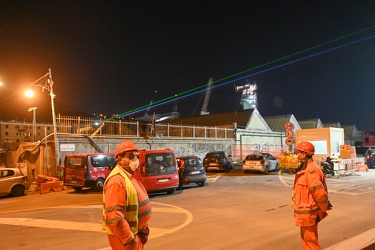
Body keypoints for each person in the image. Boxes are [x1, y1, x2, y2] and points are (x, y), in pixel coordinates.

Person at [103, 140, 152, 249]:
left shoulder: (128, 176)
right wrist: (130, 238)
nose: (135, 159)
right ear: (120, 159)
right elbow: (114, 217)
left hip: (135, 236)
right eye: (130, 156)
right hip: (126, 240)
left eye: (135, 155)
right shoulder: (117, 181)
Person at [292, 141, 332, 250]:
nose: (296, 155)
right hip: (304, 214)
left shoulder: (311, 170)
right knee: (307, 241)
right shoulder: (305, 168)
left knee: (310, 243)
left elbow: (319, 193)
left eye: (298, 153)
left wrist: (323, 209)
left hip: (308, 214)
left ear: (304, 154)